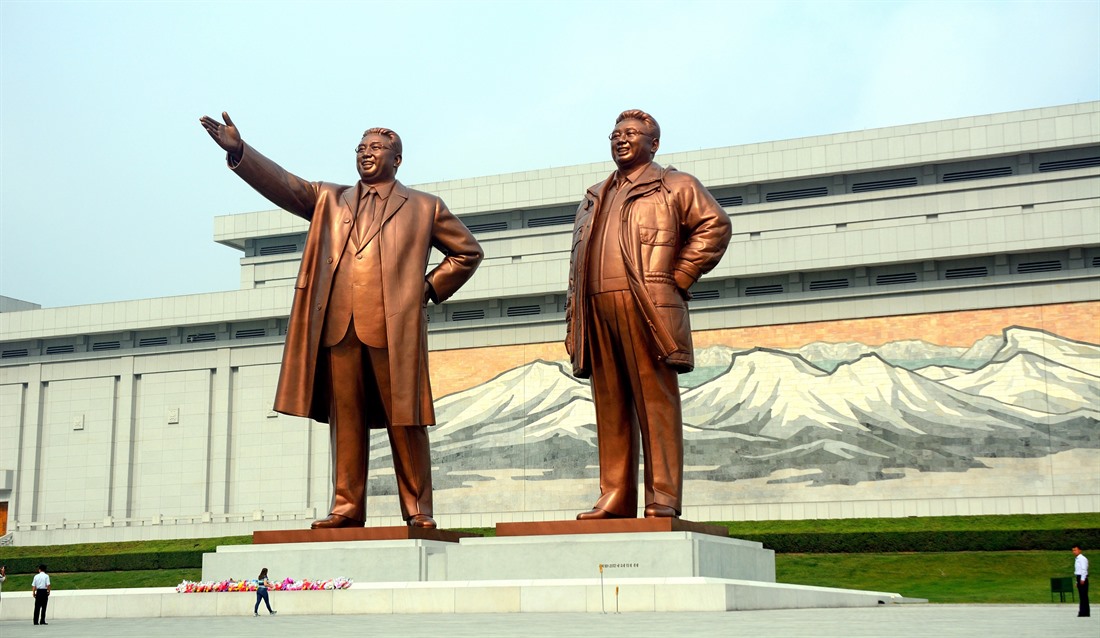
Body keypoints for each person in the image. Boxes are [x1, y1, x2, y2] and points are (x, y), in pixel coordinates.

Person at [200, 113, 482, 530]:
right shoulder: (330, 200)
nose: (366, 154)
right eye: (361, 148)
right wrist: (241, 151)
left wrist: (423, 290)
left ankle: (418, 509)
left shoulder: (424, 207)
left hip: (393, 328)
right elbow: (285, 184)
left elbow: (467, 252)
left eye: (377, 148)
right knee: (345, 421)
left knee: (405, 419)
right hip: (338, 326)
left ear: (397, 160)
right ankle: (347, 506)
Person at [566, 110, 731, 520]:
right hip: (596, 307)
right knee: (611, 404)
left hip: (647, 304)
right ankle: (615, 496)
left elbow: (715, 225)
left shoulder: (675, 185)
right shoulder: (595, 195)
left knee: (655, 403)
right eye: (616, 134)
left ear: (653, 144)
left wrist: (681, 274)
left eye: (632, 134)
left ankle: (663, 496)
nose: (621, 139)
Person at [1074, 544, 1090, 617]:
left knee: (1084, 596)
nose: (1074, 552)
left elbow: (1084, 569)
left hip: (1082, 577)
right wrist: (1077, 581)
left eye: (1075, 550)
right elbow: (1078, 570)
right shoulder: (1077, 559)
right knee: (1081, 596)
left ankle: (1085, 612)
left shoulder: (1082, 559)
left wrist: (1082, 579)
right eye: (1073, 550)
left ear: (1080, 550)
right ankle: (1082, 611)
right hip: (1079, 577)